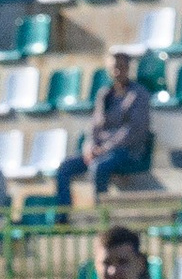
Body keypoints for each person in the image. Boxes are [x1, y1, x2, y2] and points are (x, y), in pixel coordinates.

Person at [55, 50, 156, 207]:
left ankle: (100, 214)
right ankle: (63, 217)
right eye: (114, 67)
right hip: (100, 150)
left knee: (99, 167)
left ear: (128, 68)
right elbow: (94, 127)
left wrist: (105, 148)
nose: (117, 71)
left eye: (121, 67)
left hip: (126, 152)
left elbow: (133, 131)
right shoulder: (104, 95)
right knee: (65, 168)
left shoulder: (139, 95)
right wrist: (89, 147)